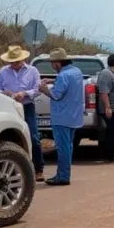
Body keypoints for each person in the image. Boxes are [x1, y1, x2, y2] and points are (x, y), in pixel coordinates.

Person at [0, 46, 46, 182]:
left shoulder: (33, 71)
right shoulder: (3, 72)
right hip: (8, 106)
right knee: (9, 137)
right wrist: (5, 93)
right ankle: (15, 169)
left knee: (34, 137)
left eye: (16, 62)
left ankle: (38, 169)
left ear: (23, 60)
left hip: (27, 106)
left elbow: (38, 89)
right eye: (11, 62)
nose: (13, 64)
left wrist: (25, 93)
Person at [37, 48, 85, 186]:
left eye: (53, 63)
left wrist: (44, 90)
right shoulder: (76, 72)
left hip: (62, 117)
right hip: (73, 116)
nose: (52, 66)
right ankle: (64, 174)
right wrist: (54, 79)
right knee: (68, 147)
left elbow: (56, 95)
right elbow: (67, 81)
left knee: (62, 148)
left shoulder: (63, 76)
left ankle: (63, 176)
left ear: (58, 63)